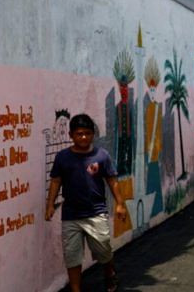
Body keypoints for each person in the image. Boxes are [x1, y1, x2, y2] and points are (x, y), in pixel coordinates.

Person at [45, 113, 127, 292]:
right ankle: (76, 289)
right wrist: (50, 204)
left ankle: (109, 272)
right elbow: (56, 181)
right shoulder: (62, 157)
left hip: (96, 213)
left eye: (87, 133)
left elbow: (112, 180)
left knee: (103, 250)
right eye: (79, 133)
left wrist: (120, 204)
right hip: (71, 215)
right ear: (71, 135)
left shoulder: (101, 156)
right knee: (72, 256)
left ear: (93, 134)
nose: (83, 137)